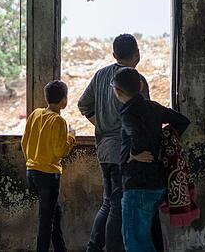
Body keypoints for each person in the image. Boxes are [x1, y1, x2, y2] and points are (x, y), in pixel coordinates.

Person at [78, 34, 151, 252]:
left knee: (109, 202)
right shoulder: (136, 81)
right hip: (126, 153)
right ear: (137, 53)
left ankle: (93, 247)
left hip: (104, 150)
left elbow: (83, 105)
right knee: (117, 207)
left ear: (113, 54)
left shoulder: (100, 75)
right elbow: (143, 118)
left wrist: (100, 124)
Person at [113, 67, 190, 252]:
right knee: (143, 239)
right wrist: (164, 139)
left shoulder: (128, 113)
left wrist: (134, 154)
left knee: (135, 243)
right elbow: (182, 121)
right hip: (157, 182)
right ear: (140, 86)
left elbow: (137, 135)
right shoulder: (153, 107)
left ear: (117, 91)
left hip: (138, 183)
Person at [21, 80, 77, 252]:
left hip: (32, 172)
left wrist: (32, 161)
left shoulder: (36, 114)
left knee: (54, 214)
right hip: (48, 176)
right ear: (63, 101)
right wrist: (71, 137)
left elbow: (24, 142)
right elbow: (60, 151)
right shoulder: (59, 121)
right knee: (46, 222)